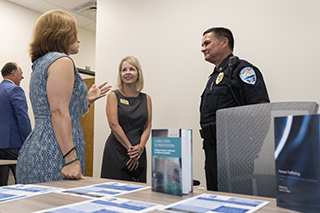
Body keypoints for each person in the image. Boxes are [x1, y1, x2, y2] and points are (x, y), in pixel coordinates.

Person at [16, 10, 111, 184]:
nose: (79, 40)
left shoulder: (41, 63)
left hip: (39, 148)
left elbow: (53, 107)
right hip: (55, 153)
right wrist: (71, 159)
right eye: (75, 34)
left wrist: (87, 100)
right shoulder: (62, 61)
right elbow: (58, 111)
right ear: (62, 34)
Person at [199, 27, 270, 191]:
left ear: (224, 42)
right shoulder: (214, 77)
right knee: (214, 194)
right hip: (211, 147)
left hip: (234, 150)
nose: (203, 49)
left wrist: (253, 147)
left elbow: (262, 110)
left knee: (235, 197)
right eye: (202, 45)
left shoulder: (242, 70)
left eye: (207, 43)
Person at [101, 56, 152, 183]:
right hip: (117, 150)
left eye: (132, 69)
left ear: (138, 74)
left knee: (138, 191)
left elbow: (147, 126)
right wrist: (130, 149)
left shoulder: (146, 98)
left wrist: (140, 147)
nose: (128, 72)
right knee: (113, 191)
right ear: (120, 74)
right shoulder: (114, 95)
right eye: (124, 70)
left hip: (138, 152)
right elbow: (113, 125)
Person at [0, 62, 32, 185]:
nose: (22, 77)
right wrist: (29, 141)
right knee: (22, 180)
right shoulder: (15, 89)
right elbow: (22, 118)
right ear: (13, 73)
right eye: (21, 73)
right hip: (13, 145)